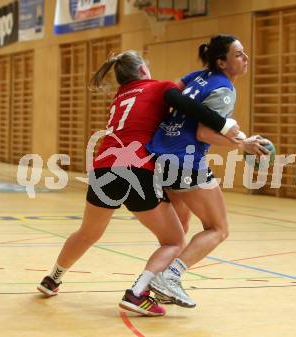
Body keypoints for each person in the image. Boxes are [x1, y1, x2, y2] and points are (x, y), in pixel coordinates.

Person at [36, 50, 241, 316]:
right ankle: (137, 292)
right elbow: (191, 108)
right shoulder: (159, 87)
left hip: (103, 166)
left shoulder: (119, 97)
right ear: (144, 69)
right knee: (174, 241)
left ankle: (52, 278)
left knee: (88, 232)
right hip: (136, 168)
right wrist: (225, 126)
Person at [147, 35, 269, 308]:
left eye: (244, 52)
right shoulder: (224, 89)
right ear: (221, 61)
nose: (245, 58)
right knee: (218, 228)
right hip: (185, 161)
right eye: (238, 54)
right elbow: (204, 131)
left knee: (179, 231)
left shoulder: (197, 76)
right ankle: (171, 277)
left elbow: (172, 93)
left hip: (160, 155)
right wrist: (243, 144)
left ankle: (144, 287)